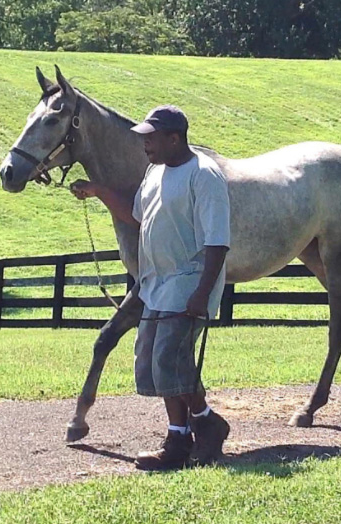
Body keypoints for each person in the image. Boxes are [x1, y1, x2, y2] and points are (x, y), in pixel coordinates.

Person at [70, 105, 231, 470]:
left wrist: (202, 293)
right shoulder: (155, 173)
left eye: (151, 138)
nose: (144, 144)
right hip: (155, 284)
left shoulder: (204, 176)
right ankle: (197, 427)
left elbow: (218, 241)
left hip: (187, 282)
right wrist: (98, 191)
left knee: (168, 361)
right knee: (154, 364)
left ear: (174, 138)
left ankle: (189, 436)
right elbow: (136, 215)